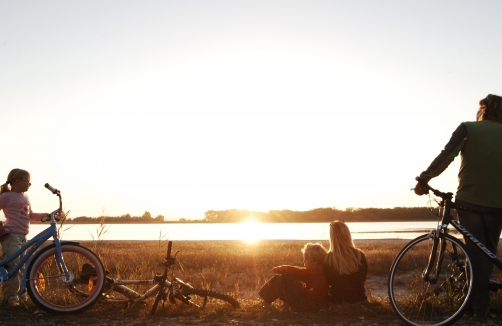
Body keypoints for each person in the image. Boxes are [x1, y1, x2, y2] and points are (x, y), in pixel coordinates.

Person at [414, 94, 502, 320]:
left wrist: (424, 179)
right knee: (487, 255)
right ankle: (475, 306)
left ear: (482, 110)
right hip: (497, 205)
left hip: (469, 203)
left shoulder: (467, 128)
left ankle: (479, 311)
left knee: (475, 257)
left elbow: (446, 156)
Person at [0, 169, 49, 307]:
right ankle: (10, 298)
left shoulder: (25, 197)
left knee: (23, 267)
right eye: (28, 181)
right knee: (13, 266)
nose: (30, 184)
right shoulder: (7, 196)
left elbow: (30, 215)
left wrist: (45, 216)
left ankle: (22, 296)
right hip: (11, 236)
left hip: (22, 237)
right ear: (17, 181)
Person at [258, 242, 328, 311]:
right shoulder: (320, 271)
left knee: (283, 276)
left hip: (306, 305)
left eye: (306, 259)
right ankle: (285, 304)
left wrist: (279, 268)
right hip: (312, 304)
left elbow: (295, 270)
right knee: (291, 276)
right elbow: (297, 272)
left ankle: (266, 299)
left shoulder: (314, 272)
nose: (304, 261)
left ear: (315, 261)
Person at [323, 220, 367, 304]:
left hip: (337, 301)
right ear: (347, 234)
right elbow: (363, 279)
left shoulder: (327, 259)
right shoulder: (359, 255)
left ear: (332, 237)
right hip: (359, 300)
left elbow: (327, 283)